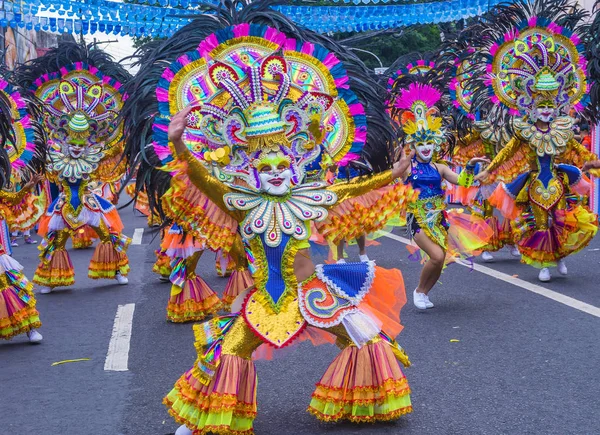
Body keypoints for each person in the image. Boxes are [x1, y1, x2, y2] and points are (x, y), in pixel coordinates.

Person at [467, 0, 600, 282]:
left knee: (561, 220)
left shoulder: (562, 128)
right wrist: (490, 170)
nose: (547, 111)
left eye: (550, 107)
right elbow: (507, 152)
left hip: (559, 180)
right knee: (540, 223)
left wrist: (591, 162)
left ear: (557, 106)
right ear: (531, 106)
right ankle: (544, 265)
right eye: (542, 107)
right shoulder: (523, 130)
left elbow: (576, 150)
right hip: (533, 183)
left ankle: (560, 257)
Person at [16, 42, 133, 293]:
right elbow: (42, 158)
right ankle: (50, 280)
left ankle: (116, 271)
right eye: (73, 137)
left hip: (89, 202)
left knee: (106, 234)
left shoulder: (95, 152)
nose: (78, 144)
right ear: (64, 134)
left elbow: (111, 153)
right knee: (55, 242)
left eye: (82, 138)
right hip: (63, 205)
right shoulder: (55, 153)